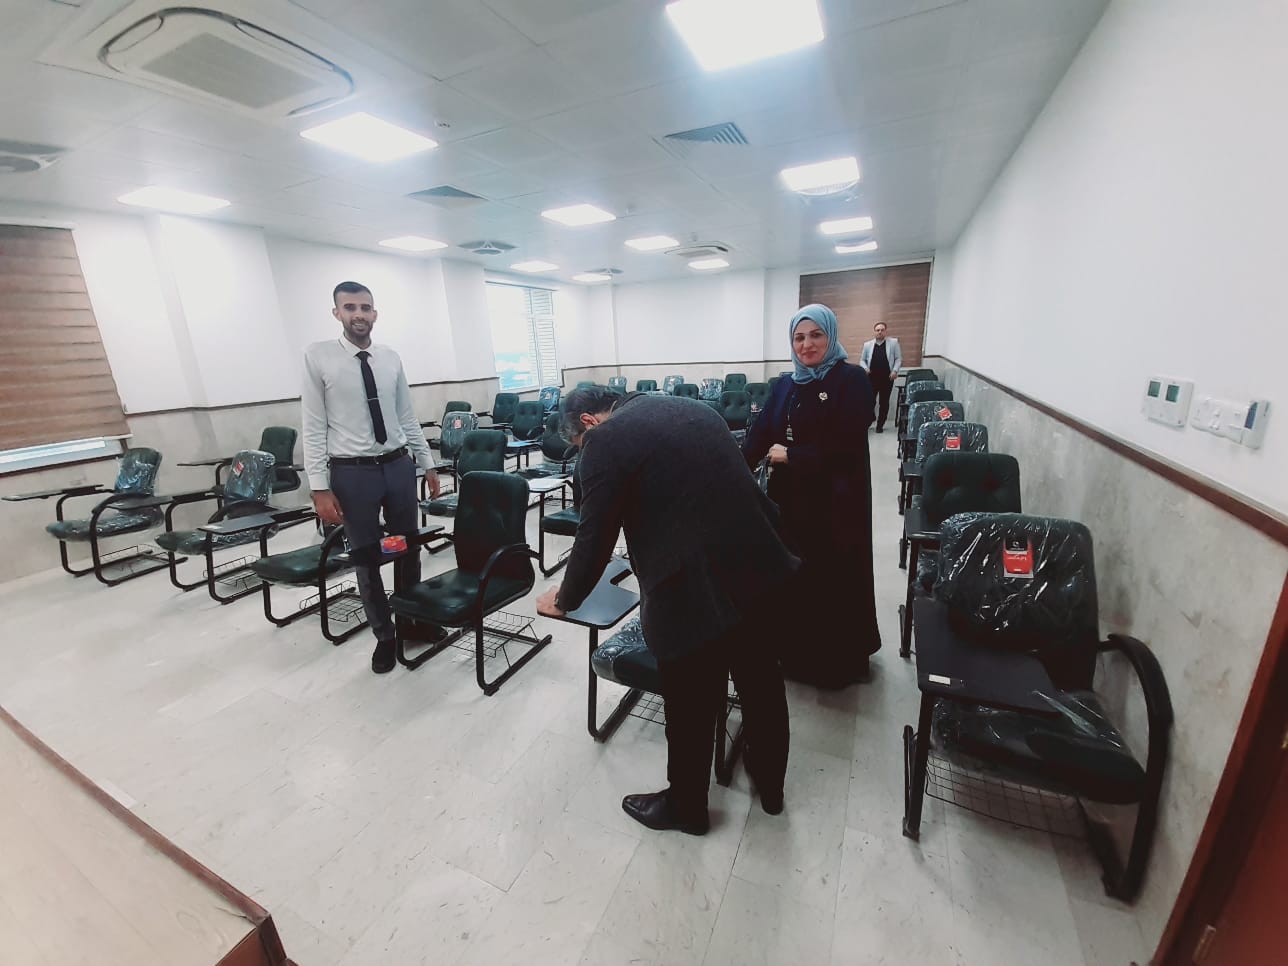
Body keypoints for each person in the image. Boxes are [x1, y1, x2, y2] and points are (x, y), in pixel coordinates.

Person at [536, 387, 795, 835]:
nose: (583, 452)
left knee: (691, 700)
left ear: (588, 423)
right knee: (762, 684)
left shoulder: (604, 440)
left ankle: (687, 808)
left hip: (691, 587)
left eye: (578, 444)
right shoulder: (690, 407)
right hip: (759, 565)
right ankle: (771, 789)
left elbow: (594, 536)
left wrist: (564, 599)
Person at [301, 281, 443, 675]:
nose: (358, 314)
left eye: (365, 307)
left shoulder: (390, 358)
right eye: (350, 307)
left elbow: (406, 415)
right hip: (352, 472)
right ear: (337, 313)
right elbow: (312, 426)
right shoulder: (318, 357)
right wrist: (318, 486)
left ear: (375, 313)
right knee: (367, 557)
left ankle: (412, 620)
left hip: (397, 466)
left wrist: (427, 462)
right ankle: (385, 635)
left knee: (407, 548)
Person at [743, 304, 882, 687]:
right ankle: (796, 655)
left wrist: (793, 455)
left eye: (816, 335)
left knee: (831, 578)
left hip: (836, 500)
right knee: (796, 574)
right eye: (799, 337)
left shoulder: (851, 379)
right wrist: (732, 468)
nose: (807, 344)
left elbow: (847, 442)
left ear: (830, 336)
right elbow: (761, 433)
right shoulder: (785, 384)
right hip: (791, 501)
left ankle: (835, 664)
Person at [858, 321, 902, 432]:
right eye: (877, 330)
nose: (880, 332)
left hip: (887, 378)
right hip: (871, 378)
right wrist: (865, 368)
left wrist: (895, 371)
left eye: (882, 330)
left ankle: (880, 425)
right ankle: (869, 420)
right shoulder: (867, 345)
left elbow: (898, 359)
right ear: (874, 331)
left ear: (885, 331)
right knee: (869, 401)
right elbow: (862, 360)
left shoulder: (893, 343)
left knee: (884, 402)